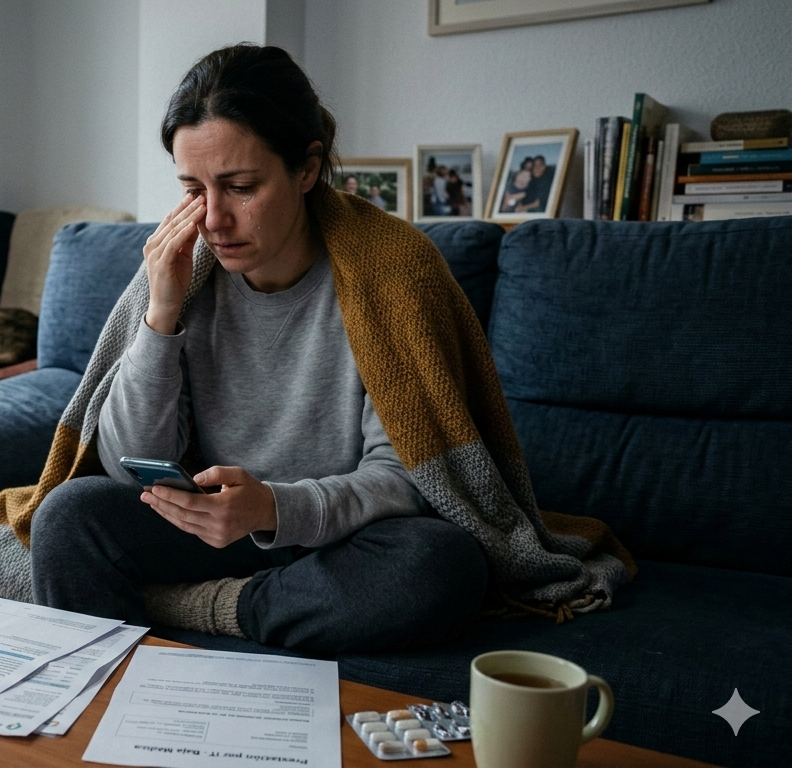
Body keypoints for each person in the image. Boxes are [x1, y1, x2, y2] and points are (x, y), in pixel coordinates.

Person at [26, 44, 489, 653]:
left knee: (440, 563)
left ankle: (208, 608)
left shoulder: (394, 274)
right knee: (68, 516)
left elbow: (408, 479)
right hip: (211, 526)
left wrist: (273, 507)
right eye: (193, 189)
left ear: (306, 168)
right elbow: (129, 465)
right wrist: (160, 318)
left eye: (240, 186)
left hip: (338, 534)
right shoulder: (180, 269)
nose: (213, 219)